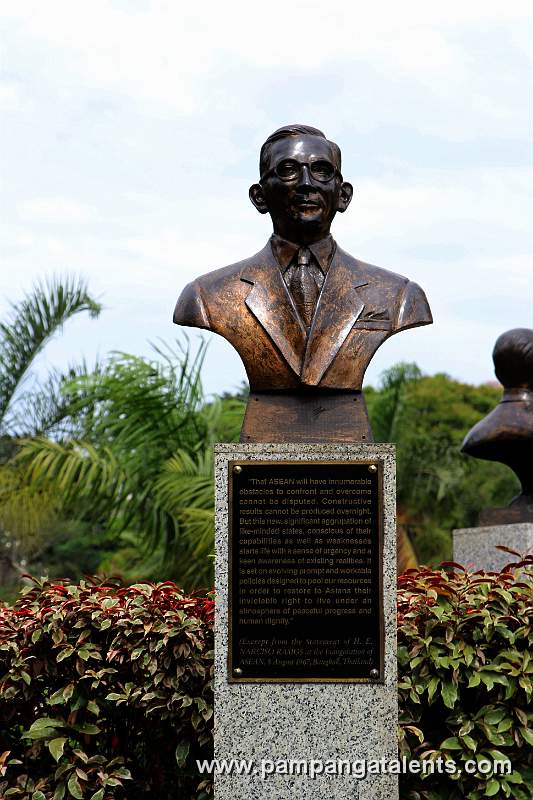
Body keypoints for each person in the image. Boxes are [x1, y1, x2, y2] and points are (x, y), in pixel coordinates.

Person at [173, 124, 432, 441]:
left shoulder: (399, 297)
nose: (307, 184)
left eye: (322, 171)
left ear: (343, 195)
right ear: (259, 196)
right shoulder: (207, 297)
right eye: (288, 171)